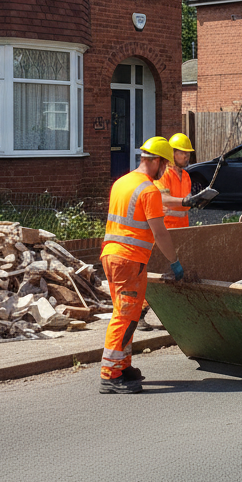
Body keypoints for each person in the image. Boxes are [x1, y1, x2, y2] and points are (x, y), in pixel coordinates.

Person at [99, 136, 186, 394]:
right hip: (130, 259)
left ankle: (122, 366)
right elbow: (160, 233)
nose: (166, 170)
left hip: (112, 256)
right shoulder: (148, 190)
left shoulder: (122, 182)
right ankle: (110, 374)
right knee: (125, 316)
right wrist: (175, 262)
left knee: (128, 314)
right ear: (157, 161)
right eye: (165, 165)